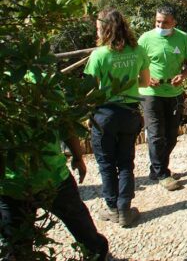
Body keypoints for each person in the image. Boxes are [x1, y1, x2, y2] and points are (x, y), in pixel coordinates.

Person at [0, 76, 109, 259]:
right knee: (81, 227)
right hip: (50, 175)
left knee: (17, 247)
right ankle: (95, 253)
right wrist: (77, 157)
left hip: (14, 184)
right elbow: (66, 125)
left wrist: (78, 157)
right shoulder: (42, 82)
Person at [85, 8, 150, 228]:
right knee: (125, 162)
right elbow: (144, 82)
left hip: (104, 115)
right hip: (130, 112)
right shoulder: (137, 51)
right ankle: (124, 209)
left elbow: (88, 89)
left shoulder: (99, 55)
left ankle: (112, 208)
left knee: (106, 163)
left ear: (104, 28)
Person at [138, 5, 187, 191]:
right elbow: (137, 63)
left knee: (171, 136)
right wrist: (146, 78)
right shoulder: (145, 39)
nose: (161, 25)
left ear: (174, 22)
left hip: (174, 92)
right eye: (158, 21)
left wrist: (184, 75)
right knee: (155, 135)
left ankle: (156, 169)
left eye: (165, 22)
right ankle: (162, 173)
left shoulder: (181, 37)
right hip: (150, 94)